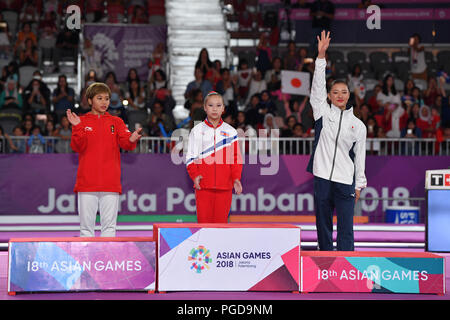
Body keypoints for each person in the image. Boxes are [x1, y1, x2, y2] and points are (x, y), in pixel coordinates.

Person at [307, 30, 367, 251]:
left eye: (344, 92)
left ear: (349, 95)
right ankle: (324, 258)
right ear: (329, 96)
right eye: (335, 92)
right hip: (322, 176)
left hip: (345, 180)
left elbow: (360, 157)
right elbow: (317, 88)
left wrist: (359, 184)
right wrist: (321, 57)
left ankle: (345, 265)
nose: (340, 95)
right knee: (323, 225)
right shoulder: (322, 112)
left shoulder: (358, 126)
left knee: (346, 227)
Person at [67, 82, 143, 237]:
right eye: (99, 98)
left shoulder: (117, 122)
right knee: (86, 230)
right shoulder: (81, 121)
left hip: (110, 182)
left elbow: (126, 143)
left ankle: (107, 260)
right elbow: (77, 146)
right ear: (89, 101)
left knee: (109, 229)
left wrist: (132, 138)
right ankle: (86, 260)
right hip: (87, 182)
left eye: (107, 99)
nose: (104, 102)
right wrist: (77, 127)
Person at [186, 91, 243, 223]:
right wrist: (195, 175)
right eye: (211, 105)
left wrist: (236, 178)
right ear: (205, 108)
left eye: (218, 105)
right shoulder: (197, 130)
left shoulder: (231, 132)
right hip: (203, 187)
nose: (214, 109)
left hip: (225, 188)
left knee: (220, 227)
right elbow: (190, 157)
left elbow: (236, 159)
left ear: (223, 108)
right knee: (203, 226)